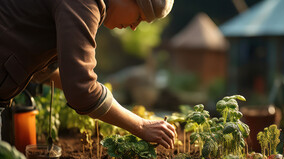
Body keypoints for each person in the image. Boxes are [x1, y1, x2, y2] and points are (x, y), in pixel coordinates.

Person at [0, 0, 176, 148]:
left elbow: (45, 70)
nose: (134, 27)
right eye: (139, 17)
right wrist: (140, 125)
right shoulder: (83, 4)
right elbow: (82, 90)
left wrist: (105, 99)